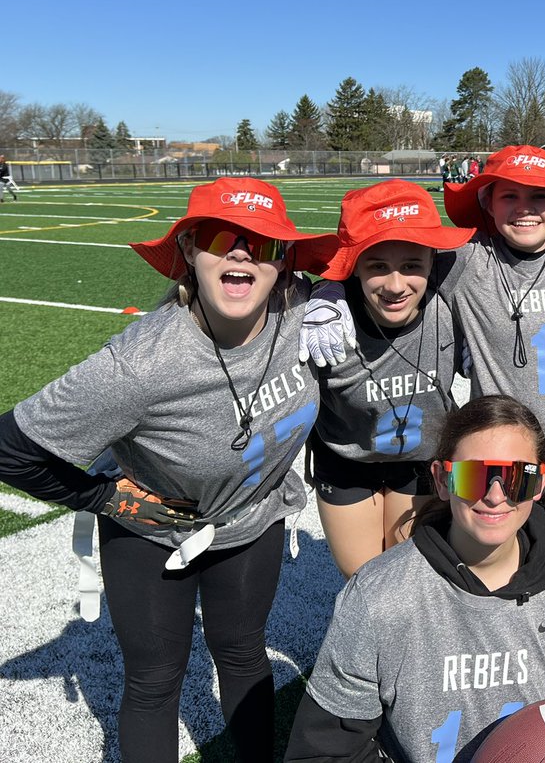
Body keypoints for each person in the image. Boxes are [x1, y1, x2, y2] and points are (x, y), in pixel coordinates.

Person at [0, 177, 336, 762]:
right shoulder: (141, 364)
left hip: (252, 516)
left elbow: (399, 264)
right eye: (219, 235)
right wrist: (105, 499)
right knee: (155, 680)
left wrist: (335, 296)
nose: (240, 252)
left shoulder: (304, 311)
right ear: (188, 252)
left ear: (283, 262)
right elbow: (8, 447)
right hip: (152, 531)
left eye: (261, 243)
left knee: (241, 653)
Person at [285, 395, 545, 762]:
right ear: (442, 480)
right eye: (473, 476)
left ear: (542, 481)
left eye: (517, 478)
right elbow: (325, 750)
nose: (495, 496)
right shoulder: (379, 598)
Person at [438, 145, 545, 566]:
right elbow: (390, 263)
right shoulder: (467, 259)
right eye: (509, 196)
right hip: (498, 449)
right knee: (494, 565)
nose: (525, 209)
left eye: (540, 196)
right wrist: (330, 293)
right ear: (486, 203)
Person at [305, 180, 474, 578]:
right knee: (363, 579)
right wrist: (320, 291)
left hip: (419, 458)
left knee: (408, 572)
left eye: (412, 265)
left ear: (434, 261)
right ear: (354, 267)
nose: (396, 286)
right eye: (377, 266)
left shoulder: (450, 306)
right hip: (345, 457)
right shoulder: (325, 323)